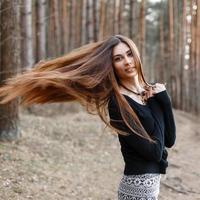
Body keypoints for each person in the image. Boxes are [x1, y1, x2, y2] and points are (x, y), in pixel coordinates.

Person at [0, 35, 176, 199]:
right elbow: (154, 153)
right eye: (118, 58)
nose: (127, 62)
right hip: (136, 192)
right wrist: (156, 103)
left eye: (129, 54)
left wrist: (165, 102)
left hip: (151, 189)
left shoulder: (149, 91)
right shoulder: (119, 103)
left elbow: (169, 140)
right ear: (111, 65)